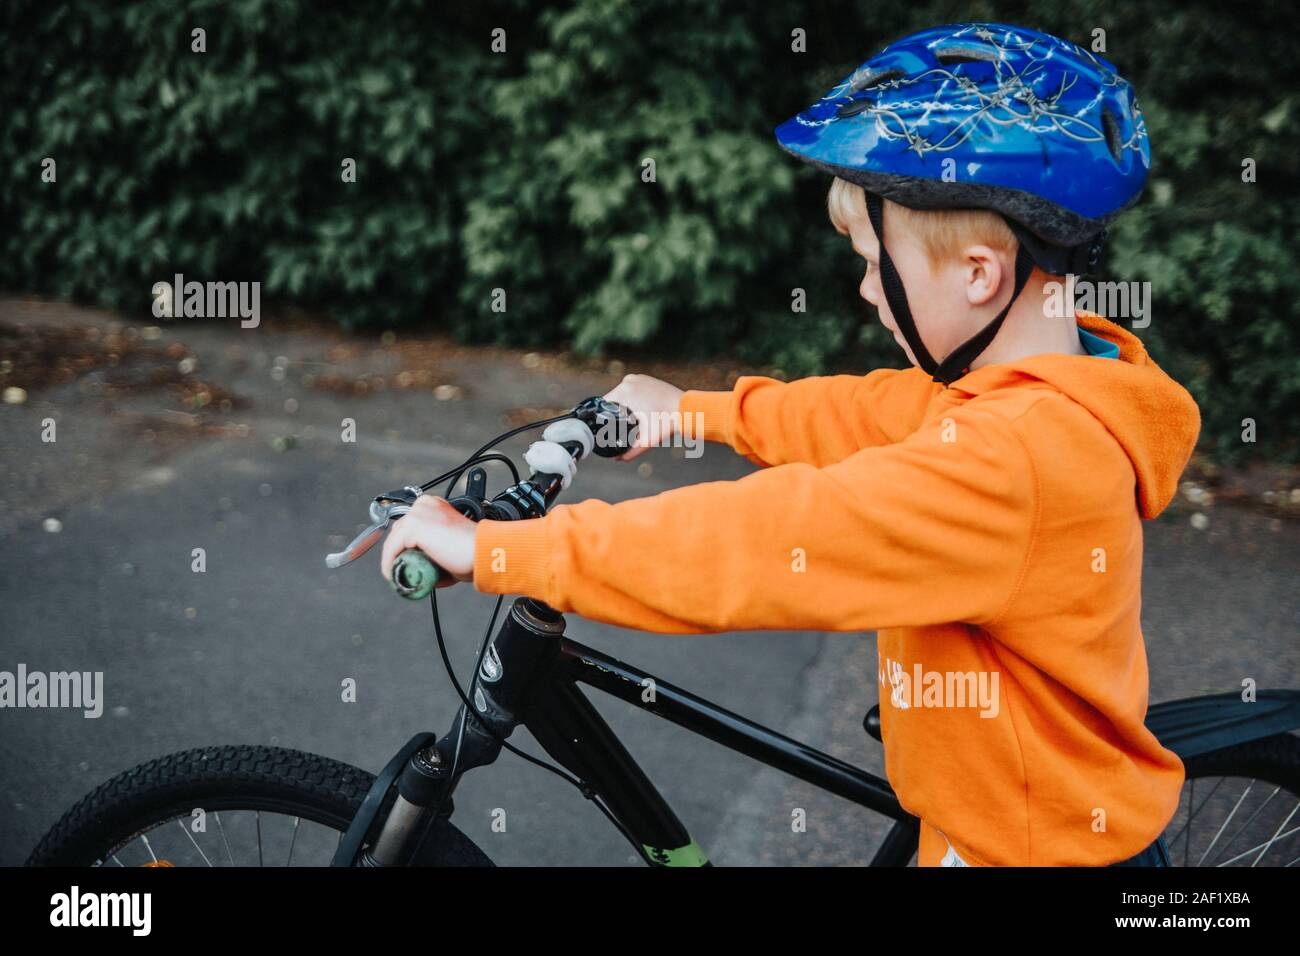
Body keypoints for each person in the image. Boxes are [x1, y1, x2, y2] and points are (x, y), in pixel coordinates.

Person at [379, 23, 1199, 867]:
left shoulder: (1015, 461)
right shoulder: (1050, 393)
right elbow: (867, 414)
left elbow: (768, 539)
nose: (866, 288)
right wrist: (693, 412)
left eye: (878, 262)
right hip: (982, 810)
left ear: (981, 274)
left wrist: (496, 550)